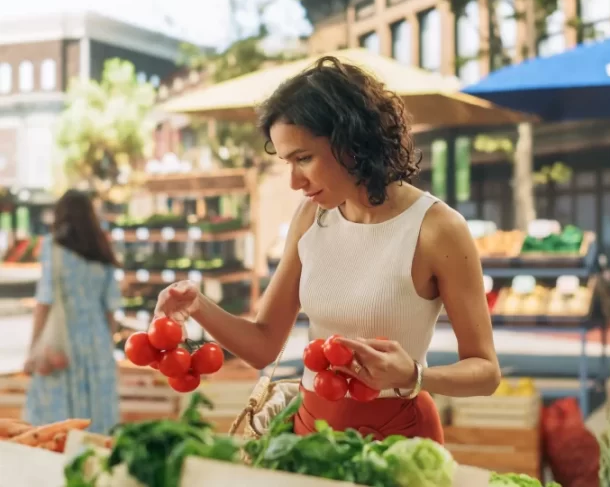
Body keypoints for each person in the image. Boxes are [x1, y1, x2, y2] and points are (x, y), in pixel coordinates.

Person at [154, 56, 500, 443]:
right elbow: (263, 344)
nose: (294, 181)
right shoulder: (310, 218)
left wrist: (414, 376)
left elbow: (486, 371)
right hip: (310, 434)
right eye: (287, 161)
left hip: (397, 441)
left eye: (304, 158)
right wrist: (196, 304)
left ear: (353, 142)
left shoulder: (438, 229)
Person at [23, 189, 122, 435]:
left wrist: (33, 347)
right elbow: (111, 308)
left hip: (62, 344)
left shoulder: (54, 249)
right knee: (97, 419)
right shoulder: (103, 252)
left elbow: (44, 302)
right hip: (97, 343)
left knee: (56, 426)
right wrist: (107, 347)